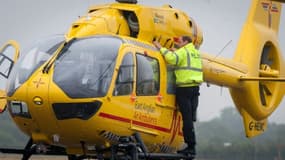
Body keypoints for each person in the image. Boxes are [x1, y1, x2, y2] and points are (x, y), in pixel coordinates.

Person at [153, 36, 203, 156]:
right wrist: (175, 52)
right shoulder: (195, 52)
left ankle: (191, 146)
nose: (178, 44)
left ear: (186, 42)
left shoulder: (183, 51)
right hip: (195, 89)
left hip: (184, 89)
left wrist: (160, 47)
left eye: (179, 42)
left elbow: (171, 60)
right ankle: (191, 146)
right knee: (190, 118)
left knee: (186, 119)